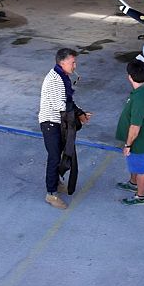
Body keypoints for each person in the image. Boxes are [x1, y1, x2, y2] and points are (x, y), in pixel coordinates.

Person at [39, 48, 91, 210]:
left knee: (60, 154)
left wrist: (80, 112)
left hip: (58, 123)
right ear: (62, 63)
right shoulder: (55, 79)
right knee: (54, 157)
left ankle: (55, 182)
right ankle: (51, 194)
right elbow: (60, 105)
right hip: (50, 123)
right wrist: (78, 116)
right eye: (72, 62)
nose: (75, 66)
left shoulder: (63, 76)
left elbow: (68, 101)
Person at [115, 60, 144, 205]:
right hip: (139, 140)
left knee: (141, 168)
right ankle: (133, 183)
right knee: (134, 164)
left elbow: (135, 127)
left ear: (130, 77)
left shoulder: (140, 99)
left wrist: (128, 144)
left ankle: (140, 196)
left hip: (138, 142)